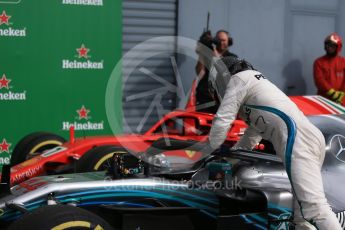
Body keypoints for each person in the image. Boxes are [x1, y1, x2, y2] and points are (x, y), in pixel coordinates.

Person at [206, 57, 342, 229]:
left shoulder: (238, 80)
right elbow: (254, 132)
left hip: (297, 140)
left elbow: (222, 119)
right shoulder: (253, 81)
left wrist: (210, 150)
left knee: (315, 209)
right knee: (302, 218)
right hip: (308, 138)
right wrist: (235, 153)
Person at [194, 30, 238, 113]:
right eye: (219, 40)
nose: (221, 43)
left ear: (229, 41)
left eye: (224, 40)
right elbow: (200, 73)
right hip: (204, 97)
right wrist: (201, 52)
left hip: (221, 99)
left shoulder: (232, 58)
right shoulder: (208, 54)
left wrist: (214, 54)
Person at [313, 33, 345, 105]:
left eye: (332, 46)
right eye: (327, 45)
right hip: (324, 99)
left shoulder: (343, 62)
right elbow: (319, 80)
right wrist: (332, 92)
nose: (329, 47)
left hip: (342, 100)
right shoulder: (318, 62)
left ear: (338, 47)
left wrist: (341, 94)